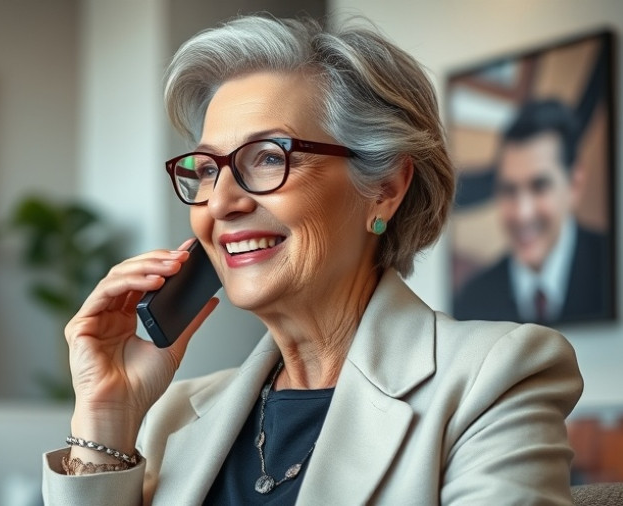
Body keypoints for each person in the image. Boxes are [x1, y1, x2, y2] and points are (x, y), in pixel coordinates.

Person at [42, 15, 583, 505]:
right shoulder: (172, 416)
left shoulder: (496, 377)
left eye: (269, 158)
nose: (224, 203)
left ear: (385, 188)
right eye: (207, 170)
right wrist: (107, 413)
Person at [453, 99, 613, 324]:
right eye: (509, 190)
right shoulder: (472, 302)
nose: (523, 213)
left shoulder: (612, 265)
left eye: (539, 187)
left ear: (574, 185)